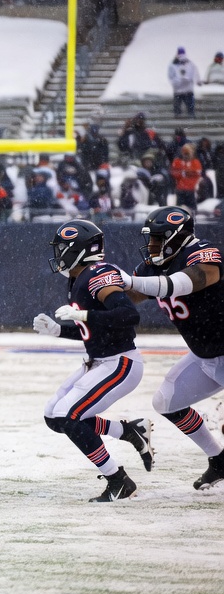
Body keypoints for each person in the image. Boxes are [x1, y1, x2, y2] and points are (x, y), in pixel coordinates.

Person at [32, 220, 152, 501]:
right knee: (54, 416)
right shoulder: (78, 278)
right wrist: (58, 330)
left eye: (63, 249)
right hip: (99, 360)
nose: (58, 255)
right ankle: (127, 431)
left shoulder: (98, 273)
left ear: (79, 250)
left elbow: (128, 315)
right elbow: (94, 329)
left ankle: (118, 480)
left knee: (69, 415)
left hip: (120, 362)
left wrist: (84, 315)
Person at [123, 207, 224, 489]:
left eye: (158, 238)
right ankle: (219, 460)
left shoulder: (202, 253)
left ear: (178, 236)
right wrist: (97, 291)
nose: (152, 245)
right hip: (205, 356)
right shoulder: (153, 267)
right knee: (167, 402)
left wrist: (132, 281)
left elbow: (188, 281)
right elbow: (128, 296)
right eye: (151, 238)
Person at [168, 47, 201, 119]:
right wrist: (197, 81)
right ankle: (187, 116)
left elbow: (171, 76)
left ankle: (182, 116)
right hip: (184, 89)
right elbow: (171, 76)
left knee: (183, 106)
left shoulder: (186, 63)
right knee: (186, 106)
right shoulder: (176, 64)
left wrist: (177, 82)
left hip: (182, 89)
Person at [171, 144, 203, 211]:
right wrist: (184, 173)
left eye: (188, 154)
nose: (186, 156)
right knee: (179, 209)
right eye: (185, 153)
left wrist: (185, 172)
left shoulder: (195, 162)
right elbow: (174, 173)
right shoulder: (177, 161)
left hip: (191, 189)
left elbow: (197, 173)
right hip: (180, 189)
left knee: (192, 209)